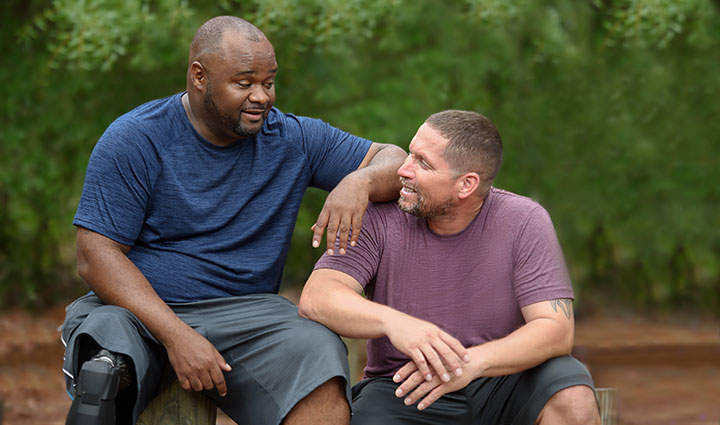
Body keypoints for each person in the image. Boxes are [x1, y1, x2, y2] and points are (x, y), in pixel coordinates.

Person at [61, 15, 406, 425]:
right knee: (104, 367)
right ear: (199, 77)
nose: (261, 96)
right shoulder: (136, 137)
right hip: (140, 312)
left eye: (269, 82)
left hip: (247, 315)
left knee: (318, 352)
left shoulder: (292, 138)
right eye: (244, 83)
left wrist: (359, 181)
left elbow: (395, 159)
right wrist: (177, 335)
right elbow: (95, 255)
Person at [298, 110, 601, 424]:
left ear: (466, 184)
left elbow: (555, 331)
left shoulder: (524, 220)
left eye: (423, 163)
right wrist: (395, 323)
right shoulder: (380, 216)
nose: (403, 169)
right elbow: (318, 297)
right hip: (404, 388)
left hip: (504, 379)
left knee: (572, 393)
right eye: (410, 153)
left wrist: (471, 363)